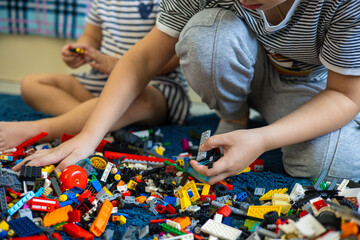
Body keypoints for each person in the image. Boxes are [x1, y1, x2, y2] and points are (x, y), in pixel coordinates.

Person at [12, 0, 360, 185]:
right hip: (242, 72)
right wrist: (89, 135)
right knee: (204, 34)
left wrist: (264, 139)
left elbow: (345, 96)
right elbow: (145, 56)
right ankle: (233, 116)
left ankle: (254, 129)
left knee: (328, 166)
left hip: (310, 88)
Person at [0, 0, 190, 151]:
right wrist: (80, 48)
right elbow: (92, 36)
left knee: (140, 98)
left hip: (156, 85)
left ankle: (40, 128)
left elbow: (176, 53)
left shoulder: (170, 3)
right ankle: (95, 123)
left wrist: (116, 65)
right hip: (101, 80)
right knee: (31, 84)